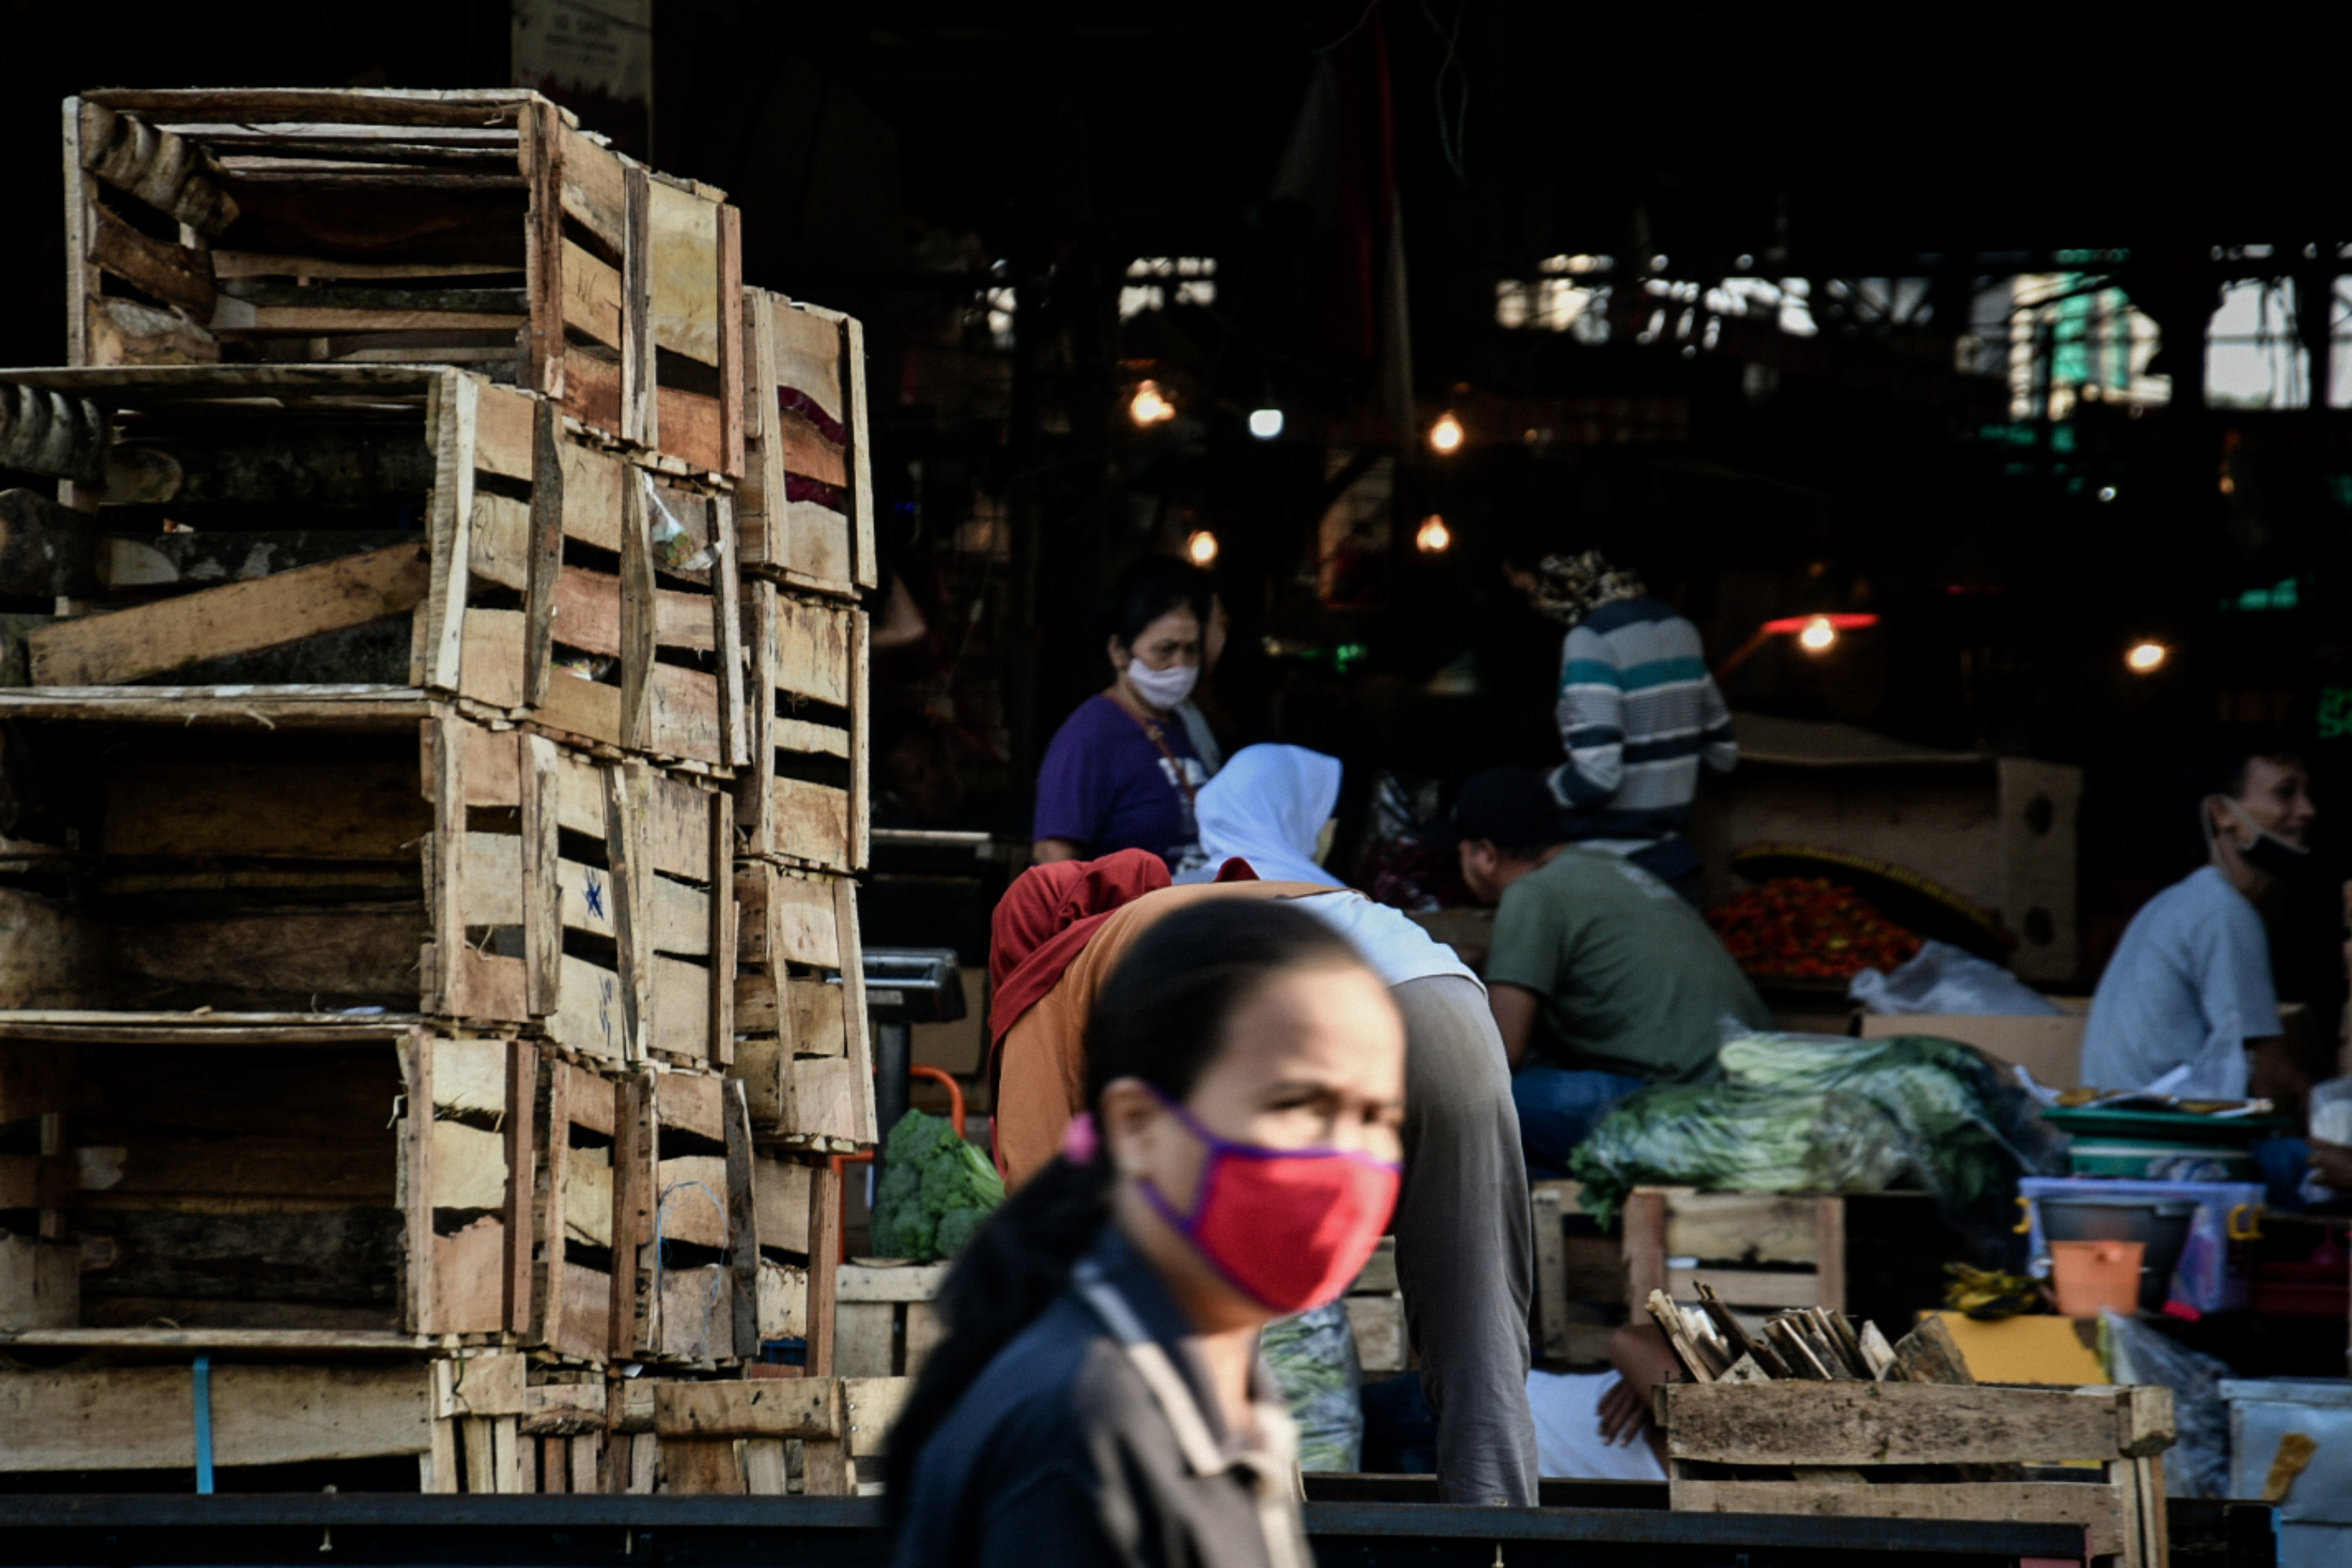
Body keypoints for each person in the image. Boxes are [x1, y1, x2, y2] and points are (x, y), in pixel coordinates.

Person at [996, 749, 1544, 1507]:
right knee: (1476, 1302)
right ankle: (1500, 1532)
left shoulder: (1052, 976)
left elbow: (1039, 1192)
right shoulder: (1224, 899)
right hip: (1443, 994)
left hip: (1295, 1023)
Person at [887, 902, 1405, 1568]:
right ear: (1136, 1127)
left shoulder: (1227, 1383)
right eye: (1296, 1105)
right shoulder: (1082, 1433)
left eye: (1378, 1117)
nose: (1346, 1158)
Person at [1446, 767, 1773, 1178]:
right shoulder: (1602, 866)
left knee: (1456, 1099)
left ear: (1486, 854)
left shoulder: (1532, 893)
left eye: (1459, 852)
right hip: (1745, 1090)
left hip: (1685, 1108)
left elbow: (1499, 1053)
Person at [1504, 522, 1737, 897]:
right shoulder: (1680, 628)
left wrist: (1533, 791)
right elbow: (1722, 754)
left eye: (1527, 585)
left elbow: (1597, 778)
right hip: (1674, 866)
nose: (1531, 600)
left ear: (1555, 570)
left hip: (1607, 874)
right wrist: (1662, 777)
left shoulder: (1591, 641)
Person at [2082, 751, 2317, 1104]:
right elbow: (2271, 1078)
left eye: (2306, 794)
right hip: (2165, 1142)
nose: (2306, 810)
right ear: (2222, 813)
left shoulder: (2180, 902)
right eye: (2286, 794)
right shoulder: (2225, 912)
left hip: (2126, 1129)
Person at [1033, 557, 1214, 874]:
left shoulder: (1184, 725)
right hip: (1130, 922)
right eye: (1165, 650)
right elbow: (1054, 856)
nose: (1181, 665)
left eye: (1191, 649)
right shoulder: (1089, 737)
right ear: (1119, 652)